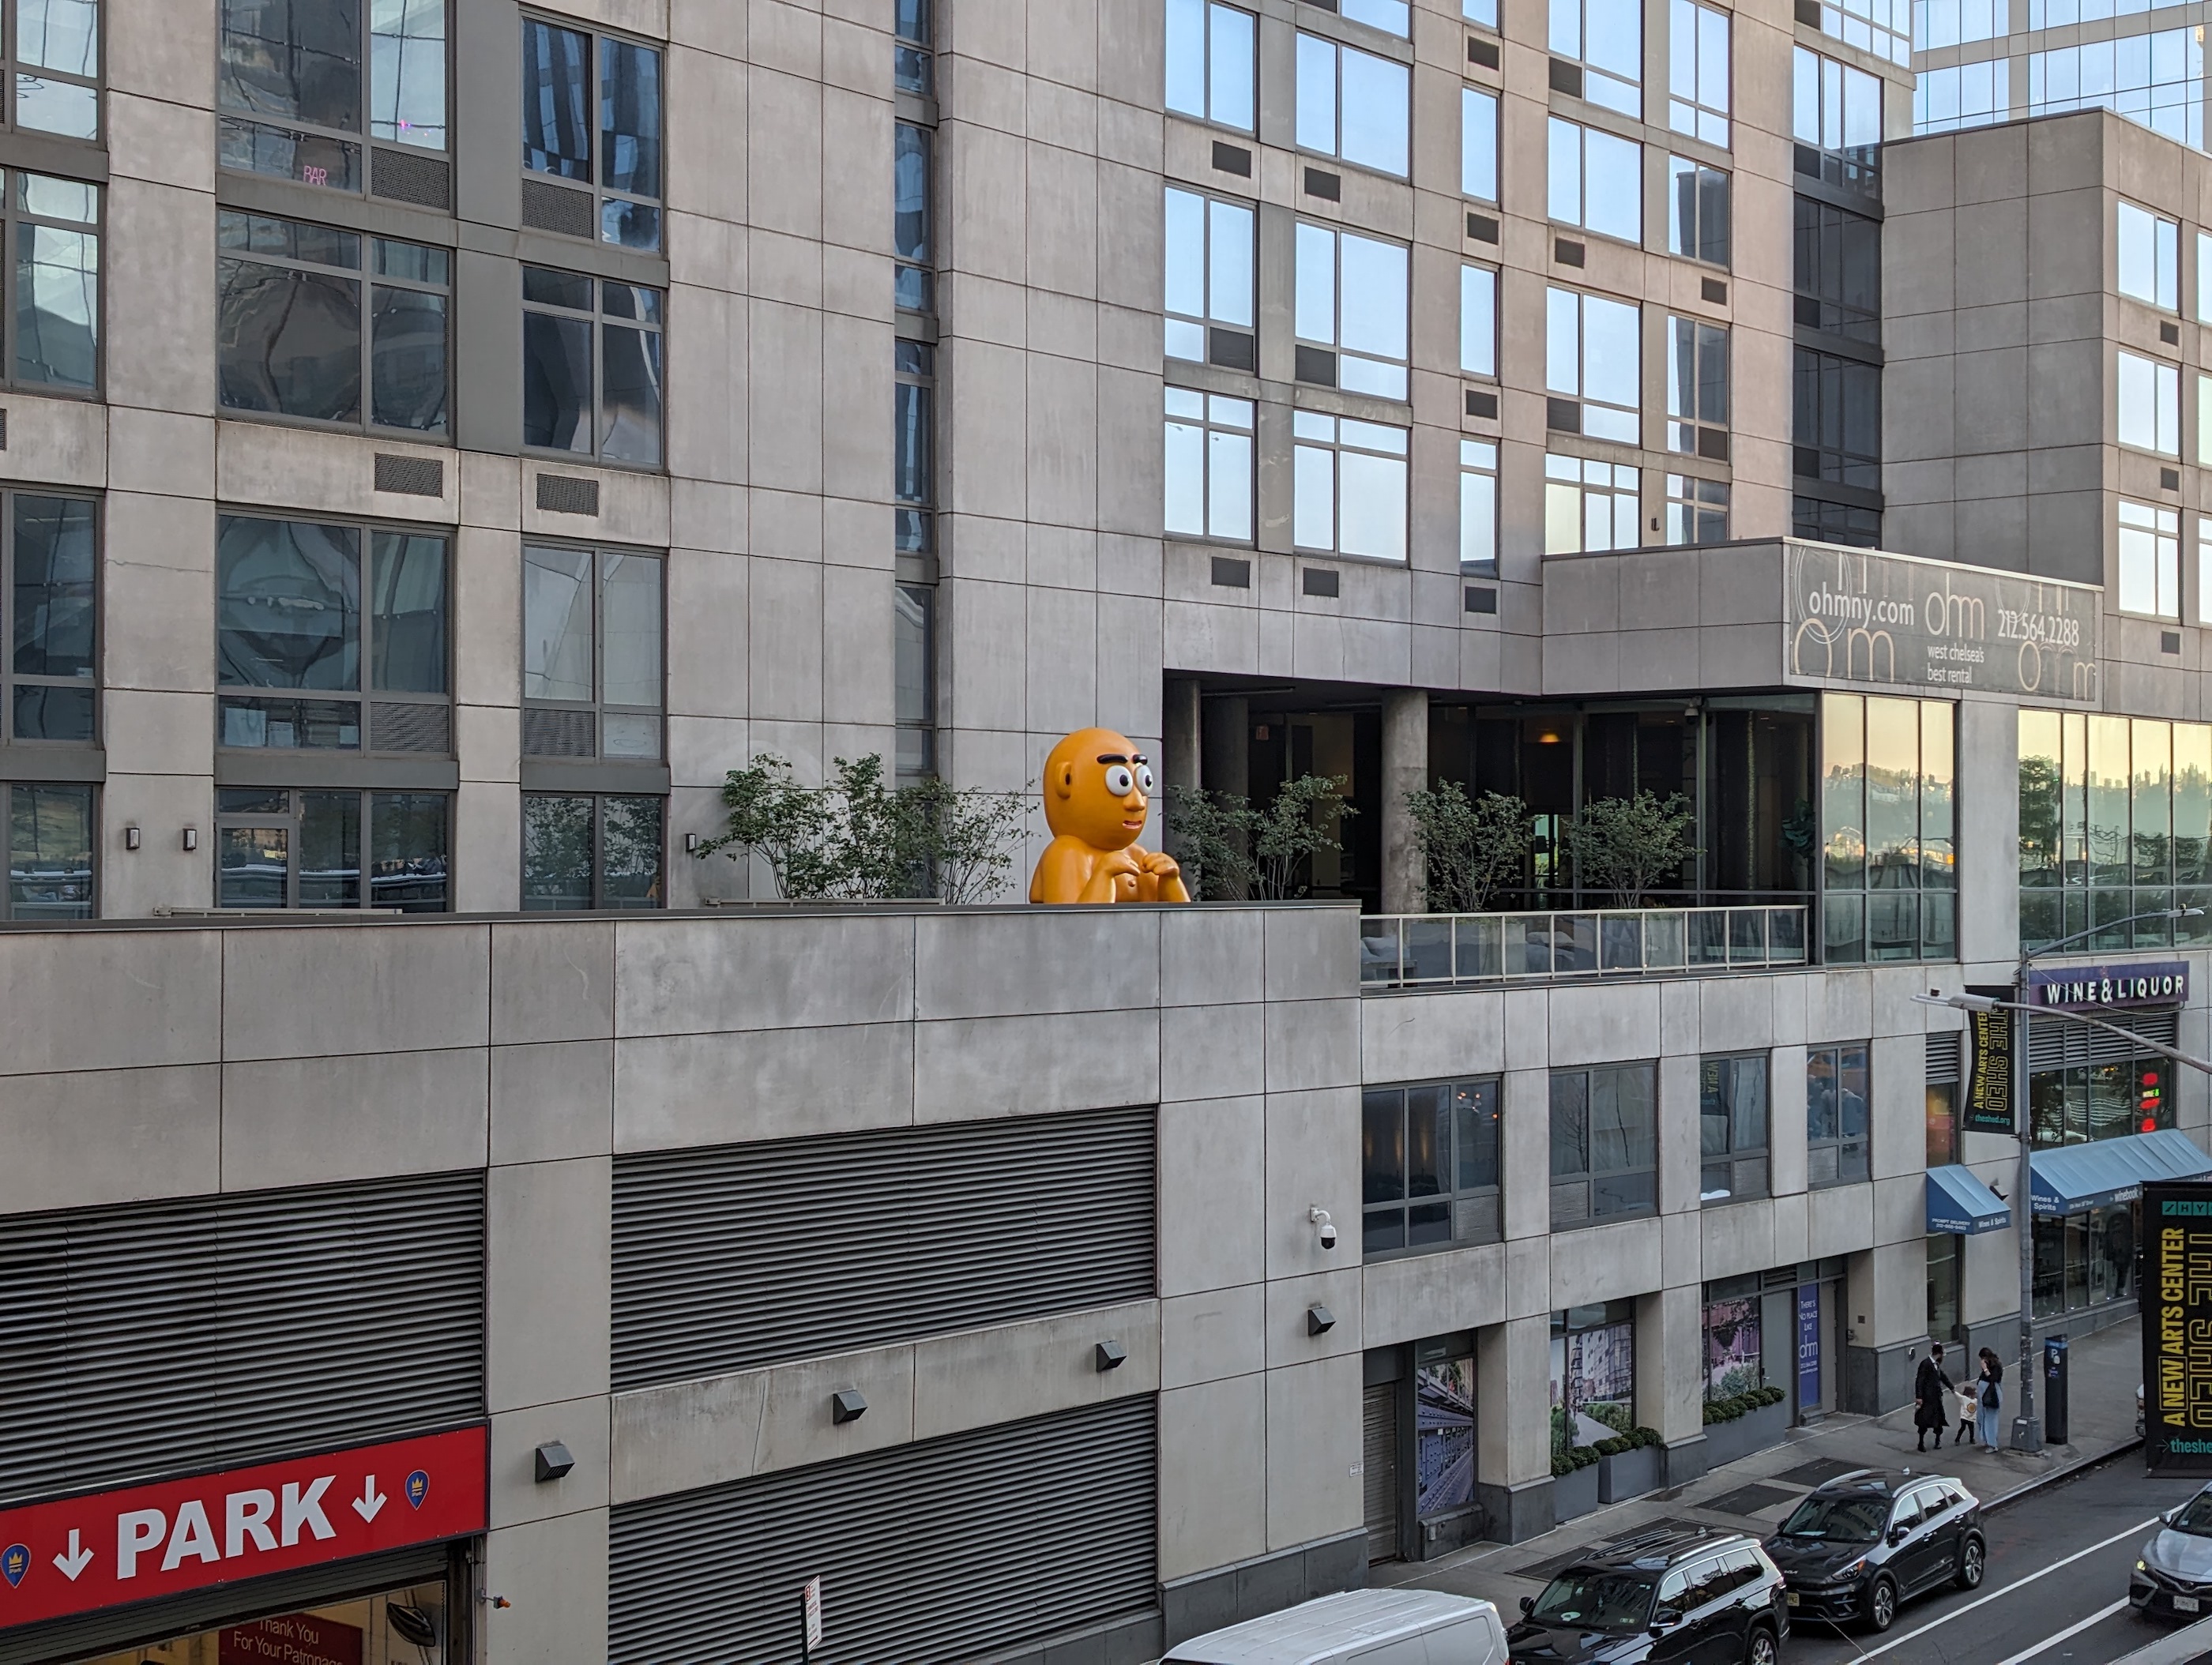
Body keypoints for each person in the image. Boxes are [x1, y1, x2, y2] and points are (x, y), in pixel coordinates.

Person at [1914, 1344, 1955, 1453]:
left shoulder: (1935, 1364)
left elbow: (1942, 1376)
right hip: (1928, 1398)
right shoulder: (1926, 1364)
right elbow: (1920, 1380)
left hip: (1936, 1397)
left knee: (1938, 1420)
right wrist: (1919, 1396)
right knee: (1924, 1420)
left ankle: (1937, 1441)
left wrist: (1951, 1387)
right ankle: (1921, 1442)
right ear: (1939, 1354)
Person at [1976, 1347, 2004, 1449]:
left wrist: (1985, 1369)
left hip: (1991, 1394)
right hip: (1984, 1394)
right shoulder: (1991, 1365)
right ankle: (1986, 1439)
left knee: (1990, 1419)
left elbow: (1993, 1378)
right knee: (1981, 1417)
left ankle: (1992, 1444)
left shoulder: (1996, 1367)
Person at [1955, 1377, 1979, 1446]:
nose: (1975, 1395)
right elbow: (1958, 1396)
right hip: (1964, 1417)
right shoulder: (1965, 1399)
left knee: (1971, 1429)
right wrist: (1954, 1391)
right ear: (1970, 1394)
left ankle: (1971, 1439)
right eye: (1974, 1394)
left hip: (1971, 1418)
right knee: (1963, 1428)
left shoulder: (1976, 1401)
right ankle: (1957, 1439)